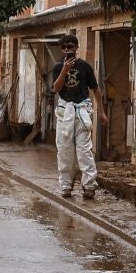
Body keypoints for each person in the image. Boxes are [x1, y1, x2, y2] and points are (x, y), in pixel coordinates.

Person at [49, 32, 101, 201]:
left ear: (76, 48)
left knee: (84, 150)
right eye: (63, 48)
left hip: (82, 111)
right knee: (64, 151)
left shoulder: (85, 67)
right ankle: (66, 185)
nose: (66, 50)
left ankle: (89, 186)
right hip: (65, 112)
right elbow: (56, 89)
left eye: (69, 47)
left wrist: (101, 110)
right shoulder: (58, 67)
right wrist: (64, 70)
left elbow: (95, 88)